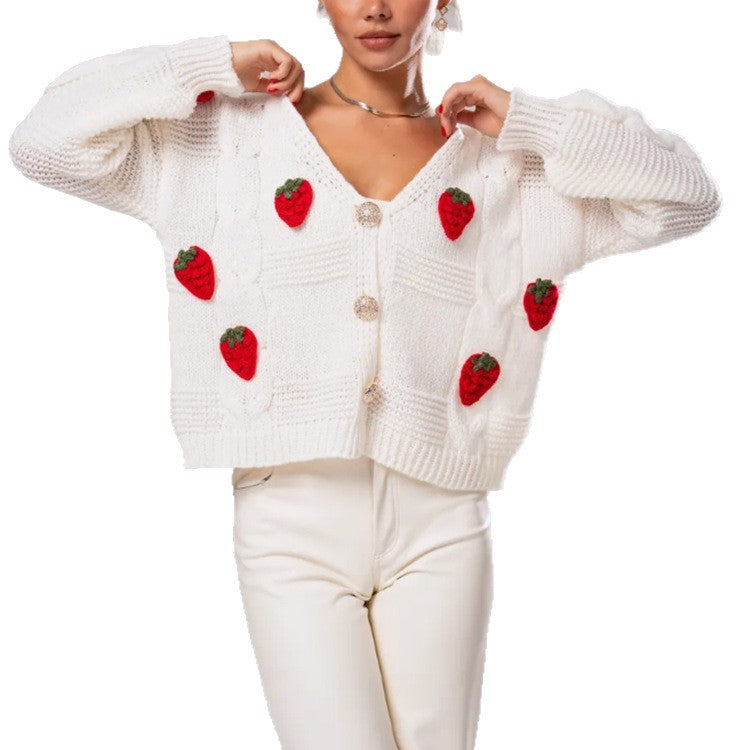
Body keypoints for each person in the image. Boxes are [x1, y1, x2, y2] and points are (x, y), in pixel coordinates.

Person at [7, 1, 721, 748]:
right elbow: (46, 144)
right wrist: (209, 64)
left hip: (442, 518)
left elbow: (685, 197)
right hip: (291, 517)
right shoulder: (227, 137)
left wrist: (529, 120)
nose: (375, 6)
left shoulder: (512, 164)